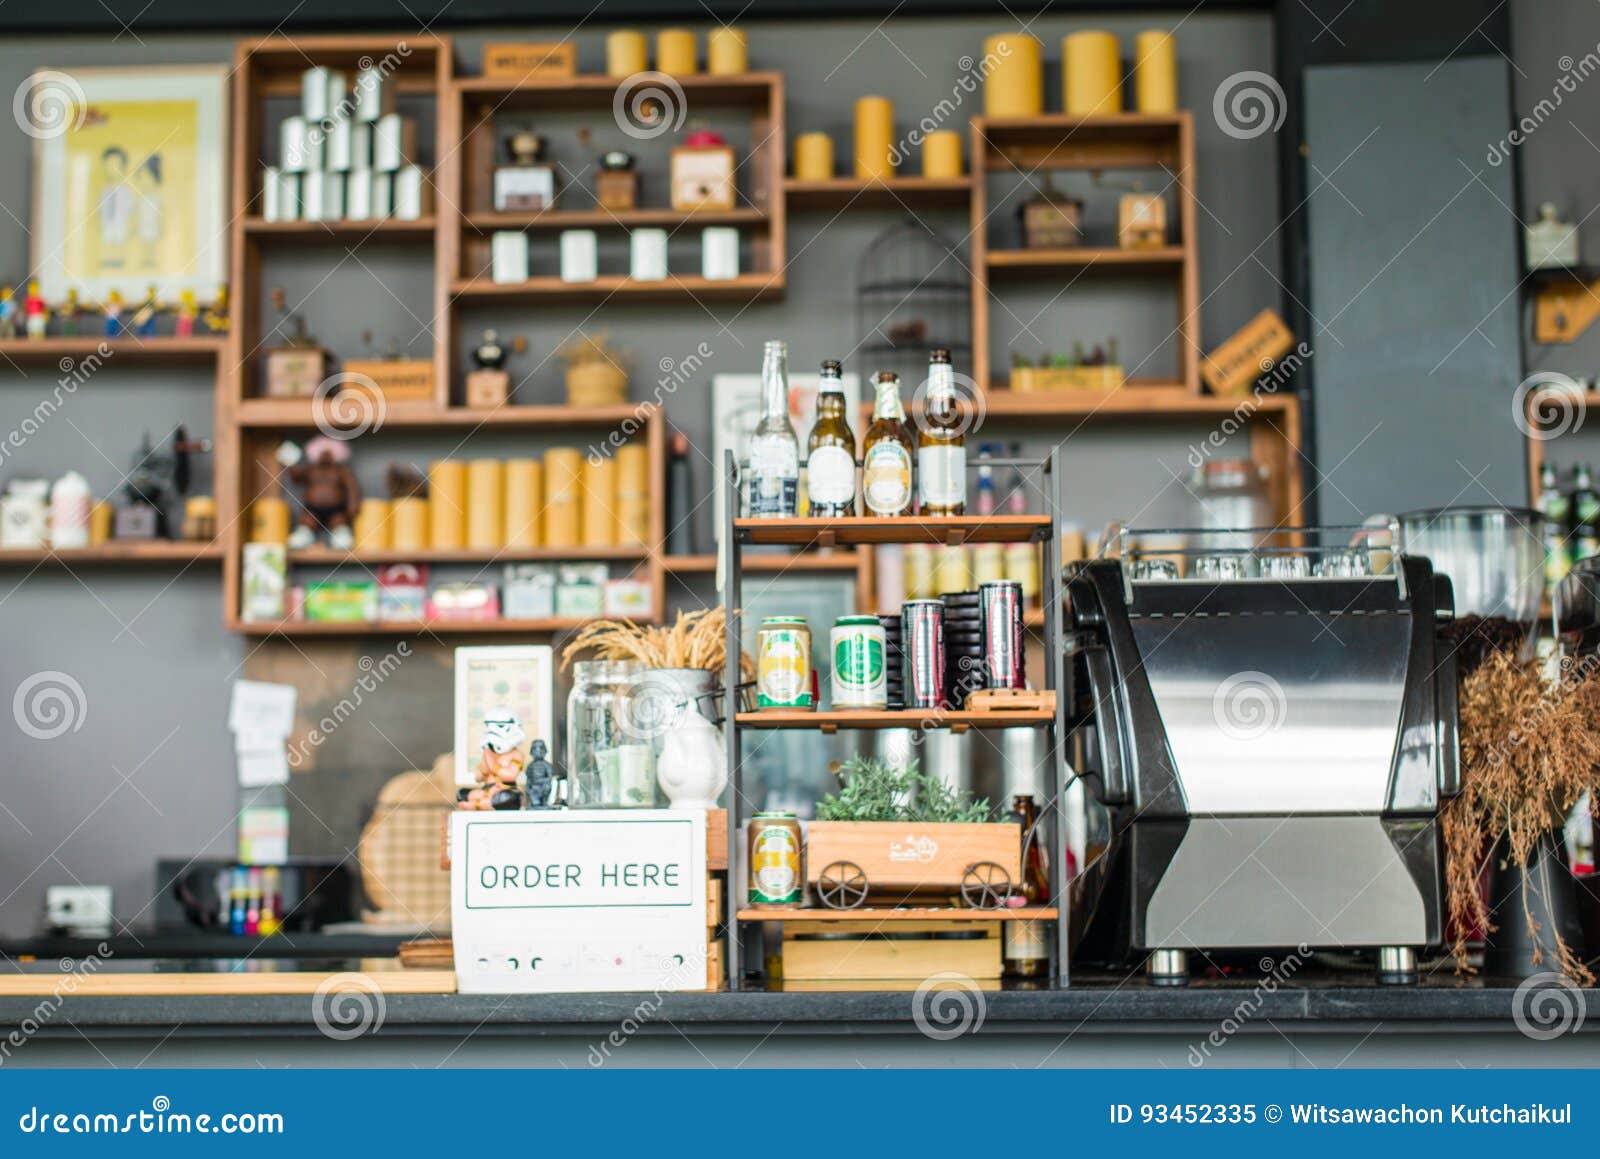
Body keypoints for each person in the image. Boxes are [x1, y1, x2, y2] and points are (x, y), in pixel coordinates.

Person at [97, 147, 133, 269]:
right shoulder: (104, 190)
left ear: (123, 167)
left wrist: (129, 221)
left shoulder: (125, 190)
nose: (112, 168)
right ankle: (108, 259)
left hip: (120, 221)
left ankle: (119, 259)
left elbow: (129, 207)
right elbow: (101, 206)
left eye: (116, 165)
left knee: (119, 240)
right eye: (109, 164)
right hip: (107, 222)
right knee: (108, 240)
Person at [134, 154, 164, 270]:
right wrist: (135, 225)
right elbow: (137, 213)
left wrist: (161, 227)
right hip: (143, 225)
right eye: (141, 178)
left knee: (151, 243)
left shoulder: (157, 199)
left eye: (147, 177)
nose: (143, 181)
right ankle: (145, 259)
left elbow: (160, 215)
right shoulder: (140, 199)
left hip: (152, 225)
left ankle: (151, 259)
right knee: (144, 242)